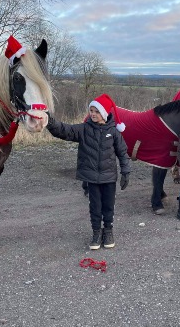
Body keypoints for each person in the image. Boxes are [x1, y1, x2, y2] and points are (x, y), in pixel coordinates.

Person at [46, 93, 131, 250]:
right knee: (95, 206)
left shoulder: (113, 132)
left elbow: (123, 153)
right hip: (91, 178)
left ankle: (108, 231)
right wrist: (50, 122)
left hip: (109, 177)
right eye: (91, 110)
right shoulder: (84, 129)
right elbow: (65, 130)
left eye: (96, 111)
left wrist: (126, 171)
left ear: (104, 113)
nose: (92, 114)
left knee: (108, 206)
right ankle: (96, 233)